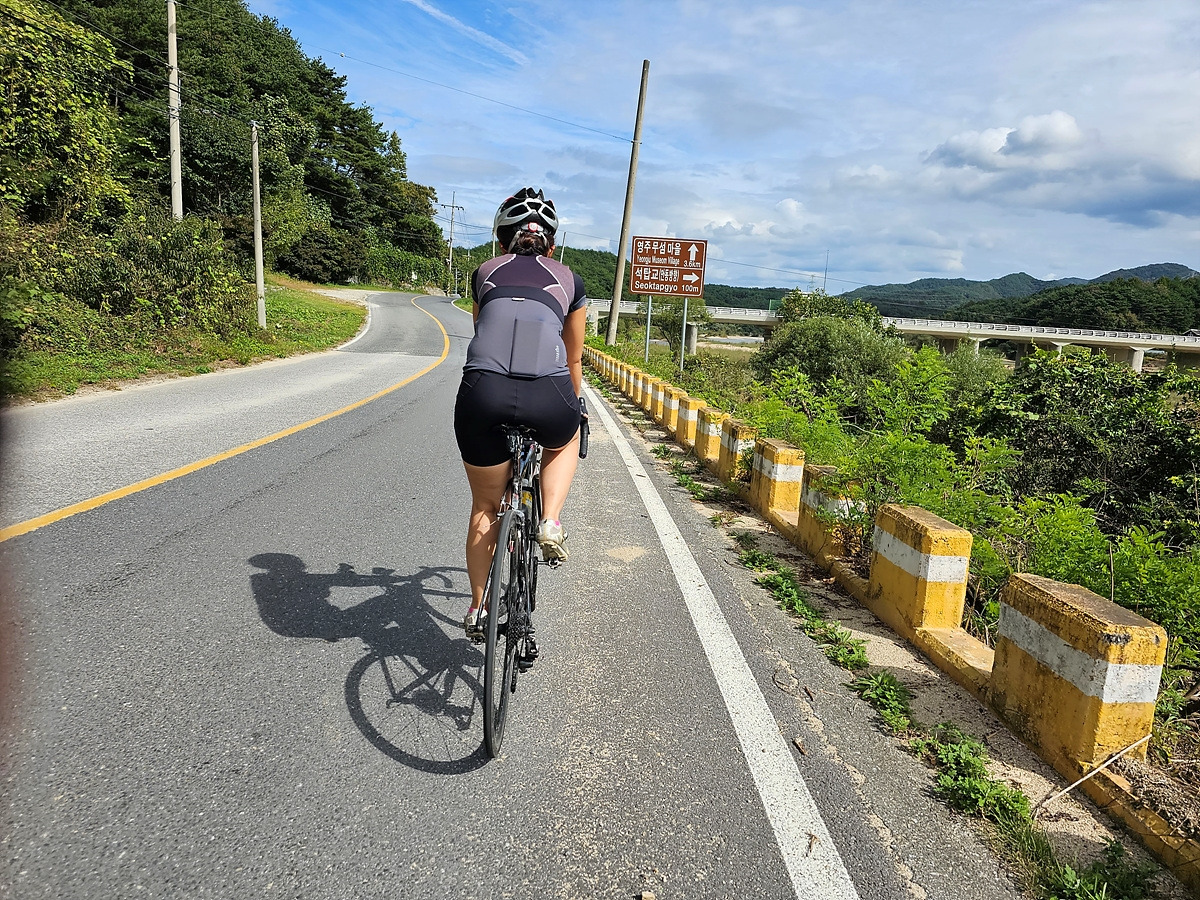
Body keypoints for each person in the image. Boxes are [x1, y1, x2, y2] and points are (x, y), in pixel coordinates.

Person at [454, 188, 588, 640]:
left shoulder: (484, 272)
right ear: (550, 245)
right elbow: (573, 357)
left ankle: (478, 607)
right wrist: (574, 406)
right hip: (547, 391)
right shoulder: (569, 280)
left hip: (483, 392)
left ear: (501, 240)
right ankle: (550, 520)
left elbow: (483, 332)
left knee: (485, 506)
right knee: (565, 437)